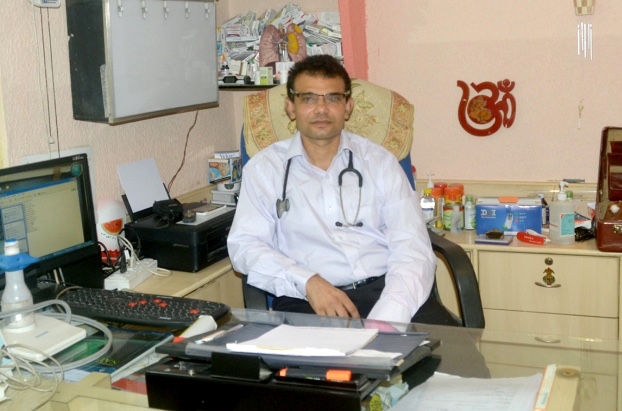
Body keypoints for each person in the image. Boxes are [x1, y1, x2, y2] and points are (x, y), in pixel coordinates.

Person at [227, 54, 453, 326]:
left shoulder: (380, 162)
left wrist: (389, 316)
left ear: (348, 106)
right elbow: (245, 246)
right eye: (308, 98)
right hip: (308, 299)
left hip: (387, 291)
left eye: (333, 98)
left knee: (455, 352)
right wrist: (307, 281)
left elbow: (412, 246)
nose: (321, 109)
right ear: (290, 107)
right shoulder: (265, 170)